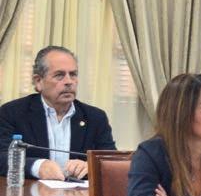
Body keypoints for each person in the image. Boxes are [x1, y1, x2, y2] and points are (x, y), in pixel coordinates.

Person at [0, 45, 116, 180]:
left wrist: (90, 166)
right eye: (59, 75)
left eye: (73, 74)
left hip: (79, 192)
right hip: (32, 192)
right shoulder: (12, 113)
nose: (69, 82)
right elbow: (2, 156)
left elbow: (112, 162)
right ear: (38, 81)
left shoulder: (95, 117)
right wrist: (38, 166)